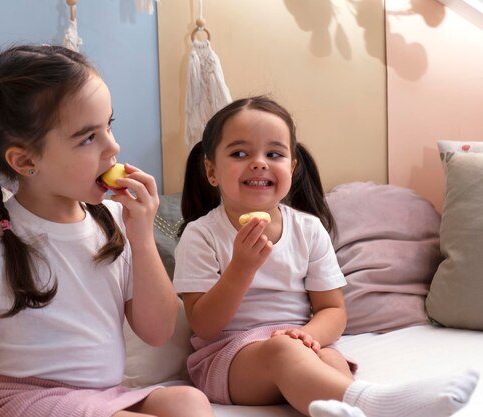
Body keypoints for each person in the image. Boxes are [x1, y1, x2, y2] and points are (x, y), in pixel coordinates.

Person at [0, 44, 214, 417]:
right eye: (88, 137)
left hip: (101, 397)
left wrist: (141, 237)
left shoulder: (113, 222)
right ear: (25, 161)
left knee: (190, 402)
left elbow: (158, 331)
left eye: (109, 125)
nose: (113, 147)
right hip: (24, 400)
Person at [173, 95, 479, 417]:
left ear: (291, 167)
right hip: (229, 360)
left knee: (333, 360)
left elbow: (332, 309)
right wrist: (242, 268)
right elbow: (204, 325)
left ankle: (343, 410)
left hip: (301, 343)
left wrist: (310, 335)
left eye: (274, 153)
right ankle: (382, 404)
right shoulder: (201, 234)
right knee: (282, 349)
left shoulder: (309, 229)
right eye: (239, 153)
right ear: (211, 171)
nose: (259, 162)